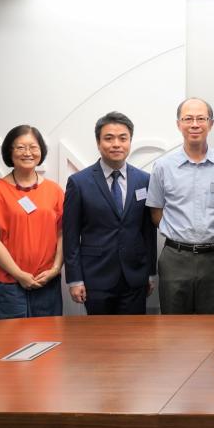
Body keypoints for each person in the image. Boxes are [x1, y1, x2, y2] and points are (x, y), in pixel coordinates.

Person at [146, 98, 214, 314]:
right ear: (178, 124)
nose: (194, 124)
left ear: (211, 123)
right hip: (175, 258)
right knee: (174, 329)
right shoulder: (163, 166)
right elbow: (156, 213)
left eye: (201, 118)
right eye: (188, 119)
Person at [63, 112, 157, 315]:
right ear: (98, 143)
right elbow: (71, 235)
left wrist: (150, 273)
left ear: (130, 142)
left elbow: (148, 231)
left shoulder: (144, 180)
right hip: (96, 277)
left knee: (134, 339)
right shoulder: (79, 183)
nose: (116, 144)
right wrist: (75, 279)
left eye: (123, 138)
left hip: (134, 277)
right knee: (99, 342)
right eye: (109, 138)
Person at [0, 125, 64, 320]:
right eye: (20, 148)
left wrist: (55, 269)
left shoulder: (54, 191)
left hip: (47, 283)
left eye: (33, 147)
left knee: (49, 343)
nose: (28, 153)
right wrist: (19, 274)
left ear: (41, 151)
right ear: (10, 152)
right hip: (9, 284)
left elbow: (62, 234)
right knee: (9, 344)